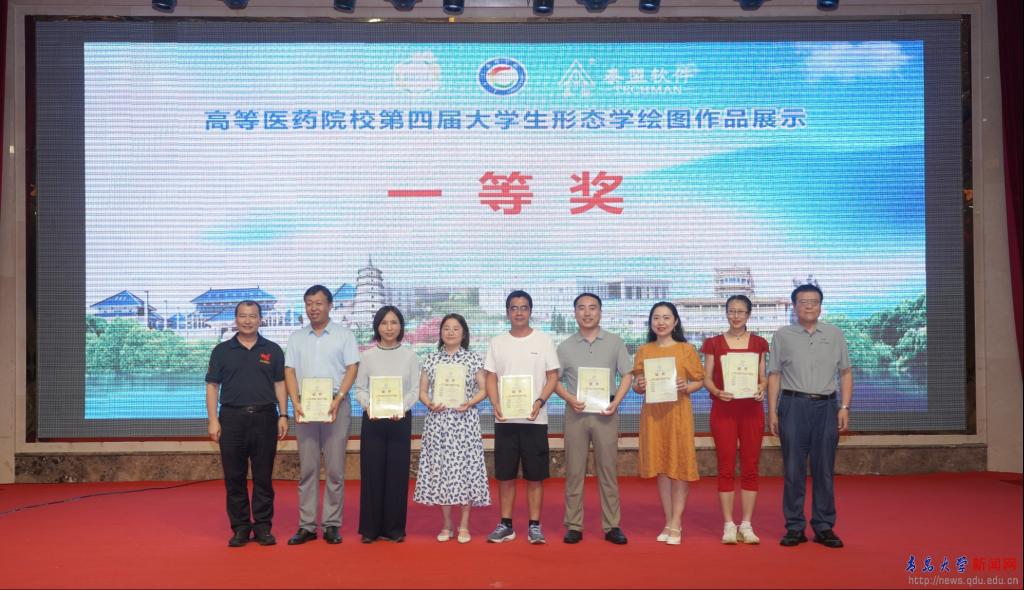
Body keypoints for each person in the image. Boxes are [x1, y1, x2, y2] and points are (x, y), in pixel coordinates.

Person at [768, 283, 852, 549]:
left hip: (826, 407)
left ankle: (824, 526)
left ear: (820, 306)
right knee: (793, 470)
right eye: (803, 302)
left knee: (824, 469)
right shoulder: (782, 335)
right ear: (794, 307)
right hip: (793, 406)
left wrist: (844, 407)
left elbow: (845, 372)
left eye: (813, 302)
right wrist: (772, 412)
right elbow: (774, 375)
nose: (808, 306)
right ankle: (794, 527)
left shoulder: (835, 334)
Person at [205, 300, 289, 547]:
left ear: (260, 319)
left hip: (265, 418)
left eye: (253, 316)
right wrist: (213, 420)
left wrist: (284, 415)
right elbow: (212, 386)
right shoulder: (221, 351)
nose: (248, 320)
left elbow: (280, 384)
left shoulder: (273, 349)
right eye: (243, 316)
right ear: (236, 319)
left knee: (263, 477)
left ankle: (262, 526)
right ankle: (240, 527)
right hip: (231, 420)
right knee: (234, 477)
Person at [553, 293, 632, 545]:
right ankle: (574, 524)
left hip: (606, 414)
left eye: (592, 308)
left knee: (608, 470)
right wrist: (569, 398)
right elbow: (553, 380)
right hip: (576, 414)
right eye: (581, 308)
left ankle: (612, 525)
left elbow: (627, 375)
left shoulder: (615, 342)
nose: (587, 313)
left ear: (600, 312)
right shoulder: (565, 346)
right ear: (575, 313)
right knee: (574, 471)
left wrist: (616, 402)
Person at [284, 285, 360, 545]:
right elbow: (290, 371)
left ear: (330, 305)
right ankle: (306, 526)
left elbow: (352, 368)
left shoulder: (344, 335)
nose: (313, 308)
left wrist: (339, 398)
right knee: (308, 469)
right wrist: (295, 402)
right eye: (308, 303)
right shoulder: (296, 337)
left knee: (335, 469)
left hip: (335, 405)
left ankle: (331, 524)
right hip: (306, 407)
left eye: (318, 303)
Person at [484, 290, 560, 544]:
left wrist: (540, 401)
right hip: (505, 420)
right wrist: (495, 403)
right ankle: (506, 524)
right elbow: (491, 376)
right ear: (507, 312)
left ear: (530, 311)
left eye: (524, 308)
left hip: (534, 420)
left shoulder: (544, 341)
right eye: (514, 308)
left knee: (535, 476)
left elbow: (552, 376)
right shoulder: (497, 342)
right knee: (505, 475)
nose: (519, 312)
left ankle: (534, 526)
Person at [631, 301, 704, 546]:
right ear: (651, 322)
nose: (661, 322)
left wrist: (686, 387)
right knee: (661, 467)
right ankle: (668, 521)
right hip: (653, 416)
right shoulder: (644, 350)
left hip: (678, 414)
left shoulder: (686, 349)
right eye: (656, 318)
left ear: (675, 322)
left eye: (666, 317)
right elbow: (636, 384)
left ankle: (676, 522)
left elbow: (699, 380)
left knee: (679, 467)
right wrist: (639, 385)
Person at [414, 313, 491, 544]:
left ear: (463, 333)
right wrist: (429, 403)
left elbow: (484, 389)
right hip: (438, 424)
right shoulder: (431, 359)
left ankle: (464, 524)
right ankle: (446, 524)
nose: (450, 332)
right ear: (440, 332)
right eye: (446, 328)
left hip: (464, 423)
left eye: (456, 328)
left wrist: (470, 402)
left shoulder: (473, 359)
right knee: (442, 472)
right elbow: (422, 391)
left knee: (465, 471)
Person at [700, 294, 770, 545]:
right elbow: (706, 377)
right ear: (726, 313)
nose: (736, 316)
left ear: (748, 314)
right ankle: (729, 524)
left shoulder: (759, 343)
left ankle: (747, 524)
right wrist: (717, 392)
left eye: (741, 311)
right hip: (723, 410)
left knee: (750, 466)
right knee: (726, 466)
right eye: (731, 311)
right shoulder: (714, 343)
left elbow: (763, 376)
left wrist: (762, 387)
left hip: (751, 411)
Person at [353, 305, 420, 543]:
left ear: (401, 326)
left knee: (397, 474)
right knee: (372, 473)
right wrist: (368, 405)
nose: (389, 328)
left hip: (400, 420)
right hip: (373, 419)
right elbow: (360, 389)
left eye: (394, 323)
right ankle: (370, 529)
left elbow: (414, 390)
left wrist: (402, 407)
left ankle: (394, 528)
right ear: (377, 326)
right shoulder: (367, 356)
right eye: (384, 323)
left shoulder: (410, 356)